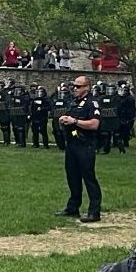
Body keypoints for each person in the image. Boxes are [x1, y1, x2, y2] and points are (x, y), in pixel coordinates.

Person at [56, 76, 103, 222]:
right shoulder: (74, 103)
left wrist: (75, 121)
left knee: (88, 177)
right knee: (72, 176)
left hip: (85, 144)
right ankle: (73, 207)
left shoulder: (92, 103)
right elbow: (70, 118)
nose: (75, 89)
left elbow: (95, 124)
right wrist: (64, 119)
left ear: (87, 87)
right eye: (74, 86)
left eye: (78, 86)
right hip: (72, 143)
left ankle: (94, 211)